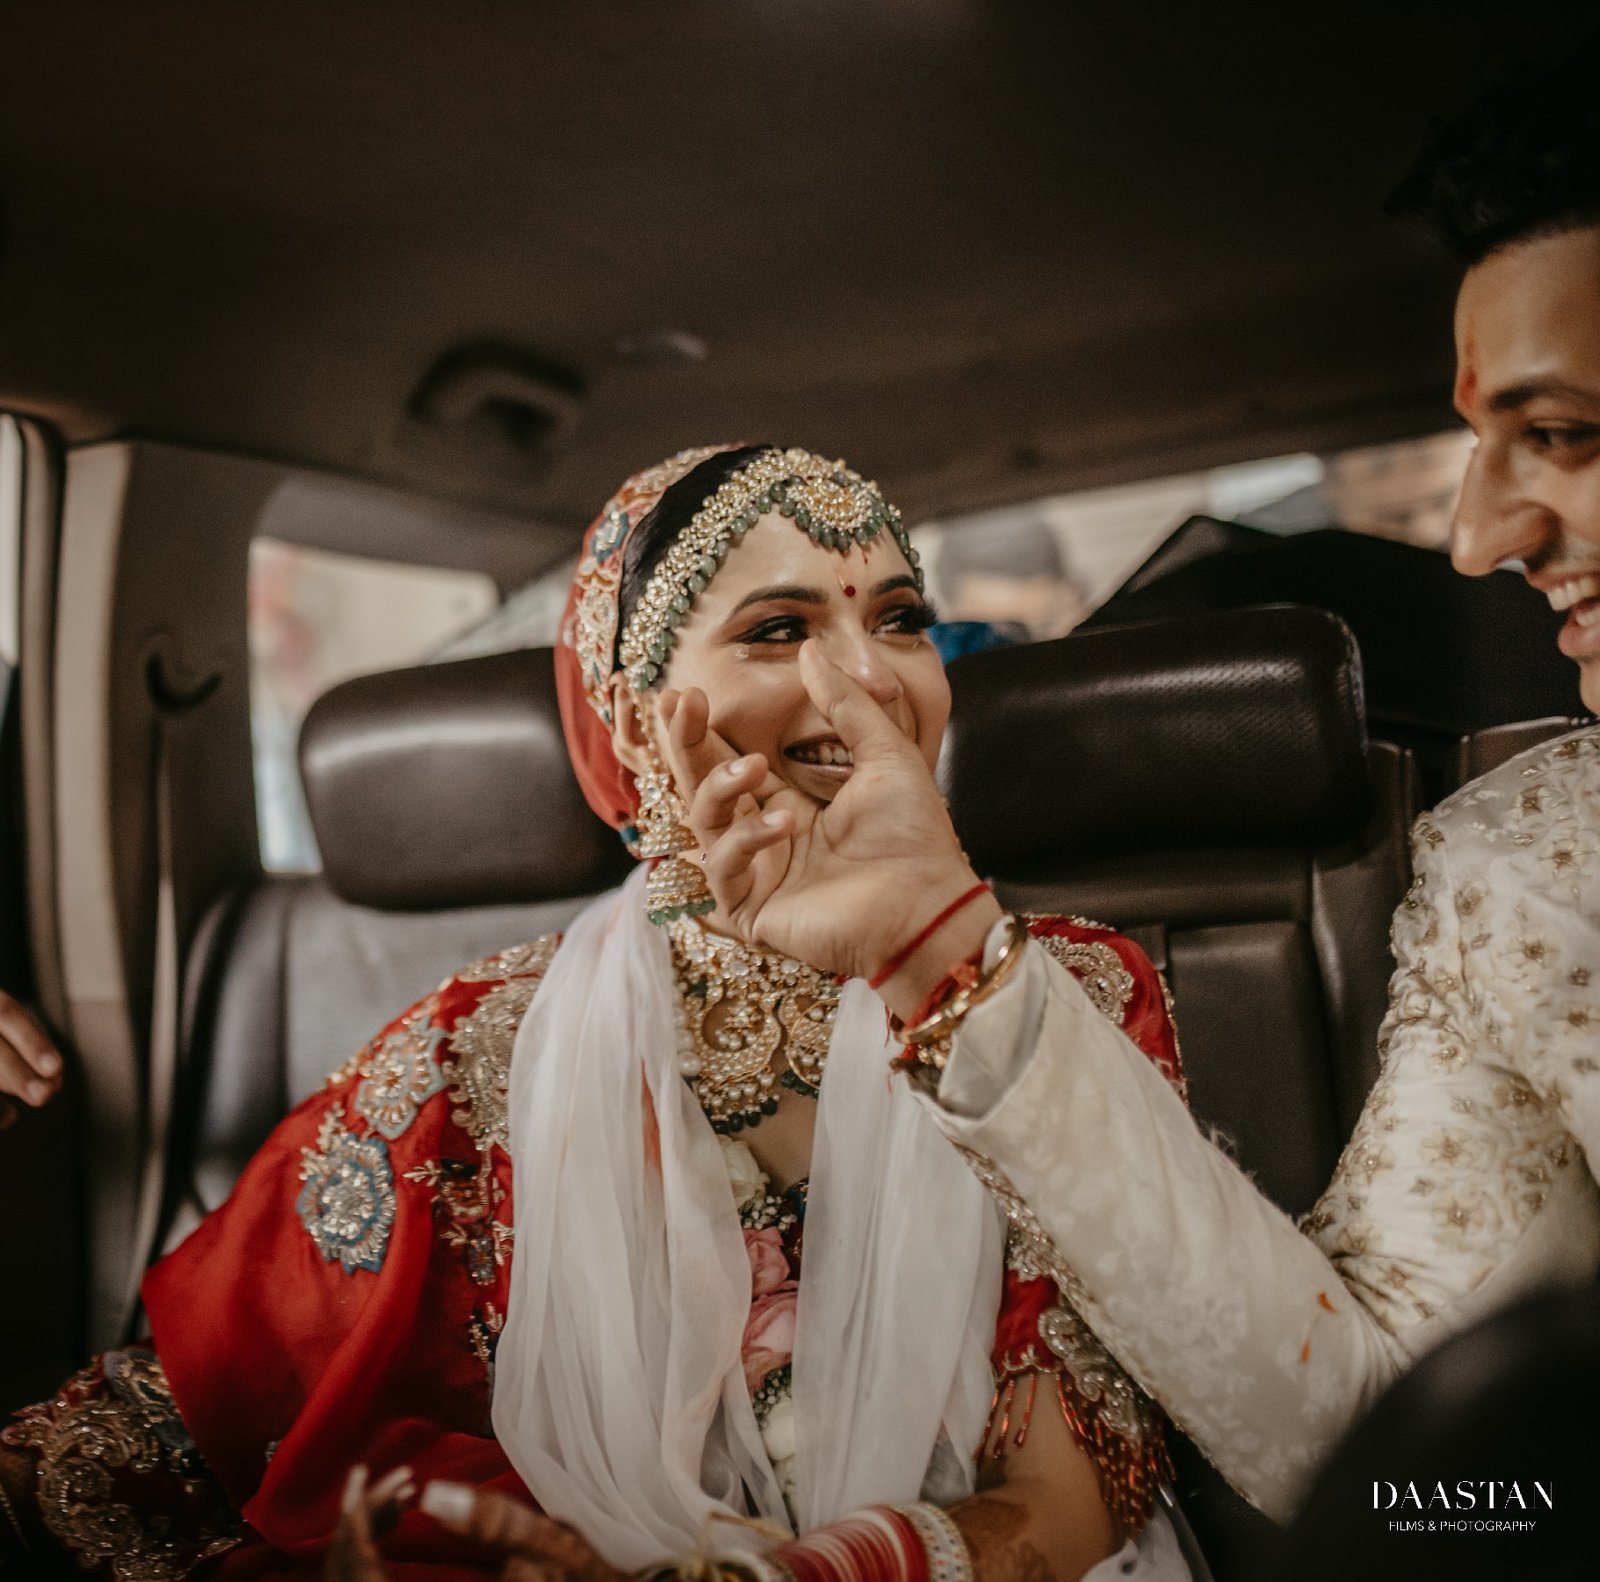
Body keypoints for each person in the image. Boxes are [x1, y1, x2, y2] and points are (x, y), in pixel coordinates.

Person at [0, 445, 1193, 1581]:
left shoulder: (1067, 991)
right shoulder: (481, 1049)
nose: (875, 677)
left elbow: (1073, 1486)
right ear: (632, 718)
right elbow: (151, 1432)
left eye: (897, 618)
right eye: (780, 628)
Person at [884, 42, 1600, 1524]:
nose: (1479, 539)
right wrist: (959, 969)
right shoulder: (1522, 865)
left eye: (1568, 435)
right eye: (1478, 446)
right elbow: (1372, 1435)